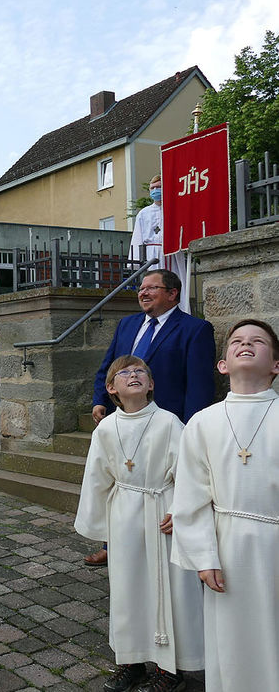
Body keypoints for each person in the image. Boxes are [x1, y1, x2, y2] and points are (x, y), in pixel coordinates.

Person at [75, 355, 203, 692]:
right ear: (111, 388)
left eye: (140, 372)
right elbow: (96, 477)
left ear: (151, 384)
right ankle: (131, 662)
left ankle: (169, 668)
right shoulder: (105, 428)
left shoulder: (169, 423)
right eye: (124, 373)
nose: (133, 375)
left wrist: (181, 510)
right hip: (124, 516)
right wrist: (100, 525)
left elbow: (189, 472)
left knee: (168, 587)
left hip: (162, 512)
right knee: (127, 588)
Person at [170, 319, 279, 692]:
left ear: (276, 365)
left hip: (274, 544)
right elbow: (191, 497)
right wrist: (203, 556)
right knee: (233, 641)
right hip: (227, 548)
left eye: (258, 341)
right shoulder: (202, 423)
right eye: (236, 341)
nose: (245, 344)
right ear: (222, 365)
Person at [85, 269, 215, 566]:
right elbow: (109, 366)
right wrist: (99, 400)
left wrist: (191, 430)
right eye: (141, 288)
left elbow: (199, 386)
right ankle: (112, 542)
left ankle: (168, 541)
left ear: (173, 294)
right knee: (123, 481)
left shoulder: (195, 330)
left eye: (152, 288)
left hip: (165, 425)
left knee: (160, 486)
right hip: (126, 421)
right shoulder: (127, 325)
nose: (143, 293)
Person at [130, 174, 189, 313]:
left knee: (175, 281)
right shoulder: (144, 213)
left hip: (172, 252)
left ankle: (180, 311)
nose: (155, 190)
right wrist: (135, 261)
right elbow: (138, 236)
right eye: (153, 188)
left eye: (159, 187)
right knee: (154, 284)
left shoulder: (176, 209)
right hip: (152, 253)